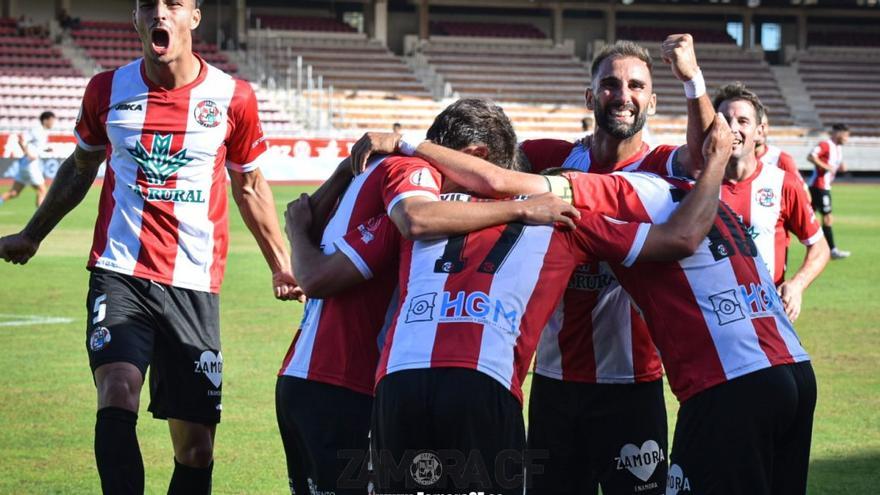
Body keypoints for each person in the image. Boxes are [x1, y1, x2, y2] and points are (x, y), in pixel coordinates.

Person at [287, 111, 735, 494]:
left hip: (398, 385)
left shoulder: (416, 211)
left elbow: (325, 270)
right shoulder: (562, 216)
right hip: (482, 385)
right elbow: (674, 240)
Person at [0, 0, 299, 493]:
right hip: (119, 272)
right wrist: (33, 233)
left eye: (174, 4)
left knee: (196, 448)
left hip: (194, 284)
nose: (160, 13)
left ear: (194, 17)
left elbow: (248, 185)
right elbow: (81, 167)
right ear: (136, 19)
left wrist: (281, 265)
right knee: (117, 390)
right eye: (148, 5)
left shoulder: (233, 97)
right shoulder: (106, 89)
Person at [276, 99, 577, 495]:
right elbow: (413, 221)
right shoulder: (412, 176)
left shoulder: (371, 171)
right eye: (483, 178)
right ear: (474, 157)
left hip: (304, 375)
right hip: (344, 384)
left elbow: (304, 216)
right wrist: (520, 210)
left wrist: (306, 220)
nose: (481, 190)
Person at [713, 82, 829, 322]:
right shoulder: (695, 184)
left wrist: (797, 284)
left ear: (759, 131)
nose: (733, 128)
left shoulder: (782, 183)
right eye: (724, 120)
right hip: (712, 316)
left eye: (743, 121)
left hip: (767, 315)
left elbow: (819, 246)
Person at [807, 123, 850, 259]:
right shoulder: (826, 144)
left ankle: (815, 246)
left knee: (808, 216)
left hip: (823, 186)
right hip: (819, 186)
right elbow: (811, 156)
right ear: (837, 133)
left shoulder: (838, 148)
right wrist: (825, 166)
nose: (847, 139)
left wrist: (840, 166)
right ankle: (832, 250)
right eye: (845, 135)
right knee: (827, 218)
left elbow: (835, 163)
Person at [1, 111, 55, 208]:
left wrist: (46, 149)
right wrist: (28, 154)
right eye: (52, 120)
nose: (53, 123)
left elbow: (36, 146)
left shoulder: (43, 132)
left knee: (14, 192)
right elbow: (21, 140)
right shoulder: (37, 130)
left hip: (26, 165)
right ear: (45, 120)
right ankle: (41, 220)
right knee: (42, 190)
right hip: (30, 165)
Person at [755, 110, 801, 179]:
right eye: (757, 125)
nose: (761, 130)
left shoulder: (781, 158)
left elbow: (801, 188)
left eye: (764, 125)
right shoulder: (734, 158)